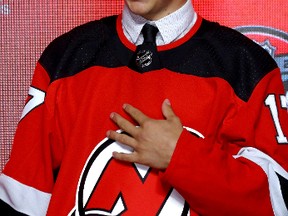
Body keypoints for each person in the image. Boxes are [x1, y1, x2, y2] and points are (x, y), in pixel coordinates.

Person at [0, 0, 287, 215]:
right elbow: (23, 198)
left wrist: (182, 156)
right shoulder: (64, 58)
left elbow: (275, 203)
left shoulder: (247, 67)